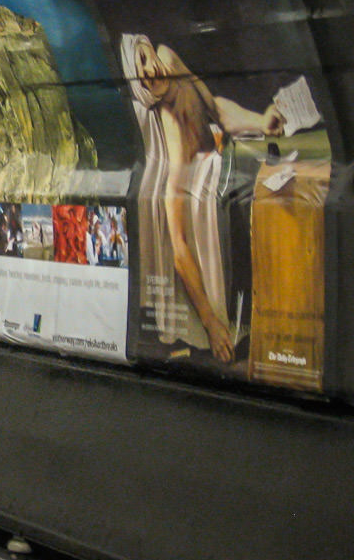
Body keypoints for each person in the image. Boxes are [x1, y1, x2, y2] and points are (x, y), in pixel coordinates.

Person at [122, 34, 284, 363]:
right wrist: (210, 323)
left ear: (149, 47)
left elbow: (214, 109)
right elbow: (179, 243)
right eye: (142, 77)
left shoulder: (169, 56)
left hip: (227, 161)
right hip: (209, 185)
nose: (149, 71)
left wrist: (259, 122)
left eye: (144, 59)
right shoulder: (171, 129)